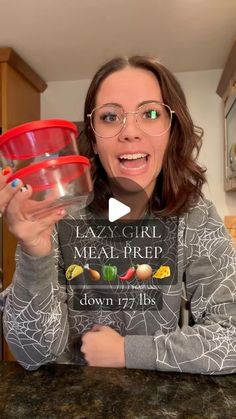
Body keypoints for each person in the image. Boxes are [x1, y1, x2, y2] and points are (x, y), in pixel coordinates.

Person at [0, 55, 236, 373]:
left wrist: (127, 352)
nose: (130, 132)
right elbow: (34, 354)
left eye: (150, 113)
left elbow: (231, 335)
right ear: (94, 139)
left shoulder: (196, 217)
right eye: (111, 117)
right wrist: (35, 254)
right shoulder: (58, 214)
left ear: (171, 130)